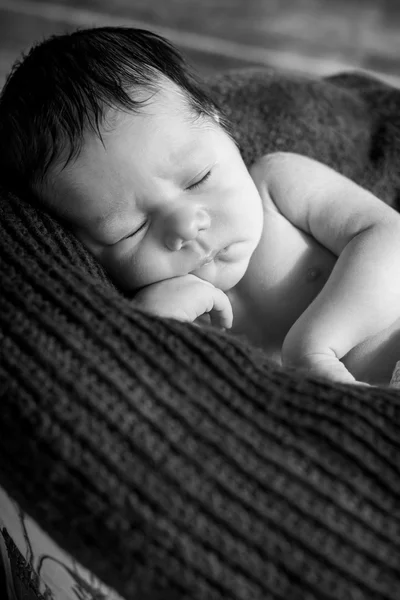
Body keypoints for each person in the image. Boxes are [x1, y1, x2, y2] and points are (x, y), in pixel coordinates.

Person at [1, 26, 400, 386]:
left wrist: (314, 346)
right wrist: (154, 331)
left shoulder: (279, 185)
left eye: (198, 179)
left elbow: (388, 234)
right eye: (129, 229)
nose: (185, 226)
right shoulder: (158, 306)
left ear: (223, 128)